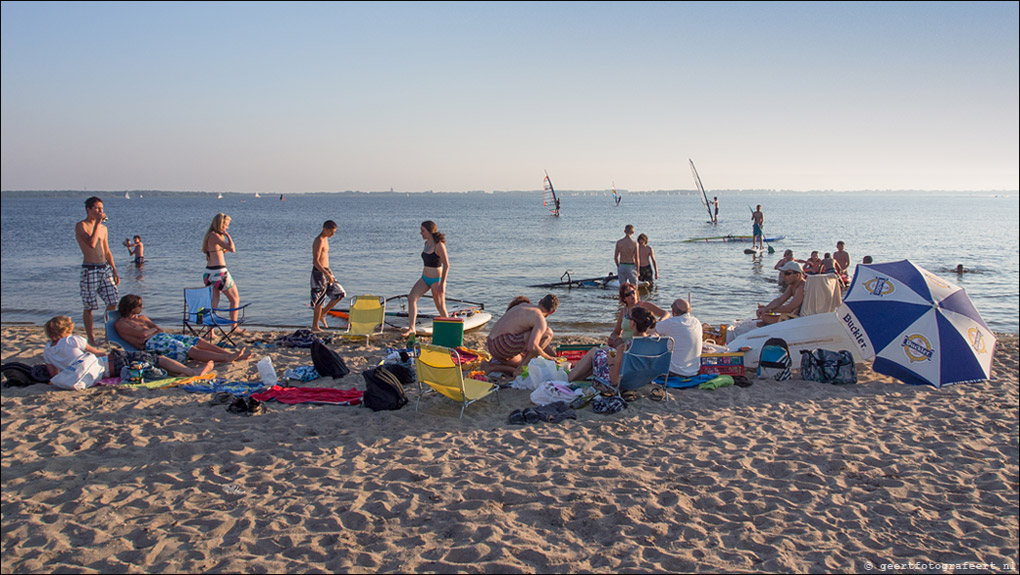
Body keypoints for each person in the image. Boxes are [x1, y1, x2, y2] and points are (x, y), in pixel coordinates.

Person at [43, 315, 212, 381]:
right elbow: (96, 353)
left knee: (150, 362)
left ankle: (180, 372)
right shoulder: (73, 340)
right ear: (67, 330)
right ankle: (192, 373)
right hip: (108, 364)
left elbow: (54, 374)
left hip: (96, 374)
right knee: (155, 358)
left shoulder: (47, 351)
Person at [114, 295, 250, 364]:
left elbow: (158, 329)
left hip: (162, 337)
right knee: (187, 349)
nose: (142, 307)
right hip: (151, 344)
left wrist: (151, 331)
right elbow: (142, 335)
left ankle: (229, 354)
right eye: (139, 305)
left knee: (197, 340)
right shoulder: (121, 323)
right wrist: (151, 331)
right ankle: (225, 358)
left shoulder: (142, 318)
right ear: (132, 307)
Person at [568, 307, 659, 397]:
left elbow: (614, 381)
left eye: (629, 318)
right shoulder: (653, 341)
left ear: (633, 323)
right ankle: (580, 375)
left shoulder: (625, 347)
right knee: (605, 348)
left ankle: (572, 378)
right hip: (640, 379)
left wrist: (611, 363)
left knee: (594, 351)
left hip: (621, 382)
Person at [75, 196, 120, 346]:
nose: (101, 211)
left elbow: (106, 250)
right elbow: (92, 244)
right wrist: (98, 223)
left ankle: (109, 334)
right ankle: (91, 337)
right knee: (89, 306)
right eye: (97, 208)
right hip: (90, 269)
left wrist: (114, 269)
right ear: (89, 209)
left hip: (104, 268)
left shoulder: (103, 228)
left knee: (112, 301)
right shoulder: (81, 226)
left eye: (102, 208)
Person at [484, 294, 560, 375]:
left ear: (540, 301)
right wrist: (548, 358)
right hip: (502, 344)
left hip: (491, 344)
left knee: (521, 361)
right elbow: (533, 347)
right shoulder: (540, 319)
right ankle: (520, 370)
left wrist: (554, 356)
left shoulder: (524, 306)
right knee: (548, 333)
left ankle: (491, 367)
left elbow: (540, 341)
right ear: (552, 312)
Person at [402, 221, 449, 337]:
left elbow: (446, 265)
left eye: (423, 230)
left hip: (436, 280)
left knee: (440, 306)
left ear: (429, 231)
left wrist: (442, 284)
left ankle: (449, 327)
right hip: (424, 278)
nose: (421, 233)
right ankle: (412, 328)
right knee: (411, 298)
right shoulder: (426, 244)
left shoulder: (439, 245)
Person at [202, 213, 243, 327]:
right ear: (220, 225)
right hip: (219, 273)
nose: (227, 227)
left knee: (214, 302)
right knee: (235, 299)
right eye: (226, 225)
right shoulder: (215, 236)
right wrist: (228, 236)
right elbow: (232, 249)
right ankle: (234, 327)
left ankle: (211, 331)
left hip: (209, 273)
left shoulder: (209, 236)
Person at [608, 283, 669, 348]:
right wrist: (613, 337)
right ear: (624, 299)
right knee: (615, 343)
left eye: (633, 292)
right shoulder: (624, 311)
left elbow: (666, 314)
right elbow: (616, 332)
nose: (632, 295)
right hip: (625, 344)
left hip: (640, 343)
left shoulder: (644, 306)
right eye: (628, 294)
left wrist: (659, 323)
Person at [653, 299, 703, 378]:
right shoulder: (696, 322)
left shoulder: (670, 323)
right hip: (693, 372)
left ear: (673, 311)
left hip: (675, 372)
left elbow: (647, 330)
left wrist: (660, 319)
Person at [311, 220, 346, 332]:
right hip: (319, 273)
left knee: (340, 294)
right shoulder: (319, 241)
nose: (333, 234)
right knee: (319, 300)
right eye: (331, 232)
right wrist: (326, 274)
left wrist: (328, 272)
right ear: (325, 229)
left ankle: (323, 314)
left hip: (326, 271)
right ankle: (315, 327)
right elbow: (316, 261)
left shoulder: (326, 240)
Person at [757, 261, 807, 326]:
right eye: (783, 273)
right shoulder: (792, 286)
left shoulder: (802, 287)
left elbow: (789, 308)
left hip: (802, 319)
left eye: (787, 273)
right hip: (796, 316)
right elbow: (780, 300)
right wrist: (766, 308)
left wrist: (769, 310)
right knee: (764, 317)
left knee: (765, 317)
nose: (783, 276)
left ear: (797, 275)